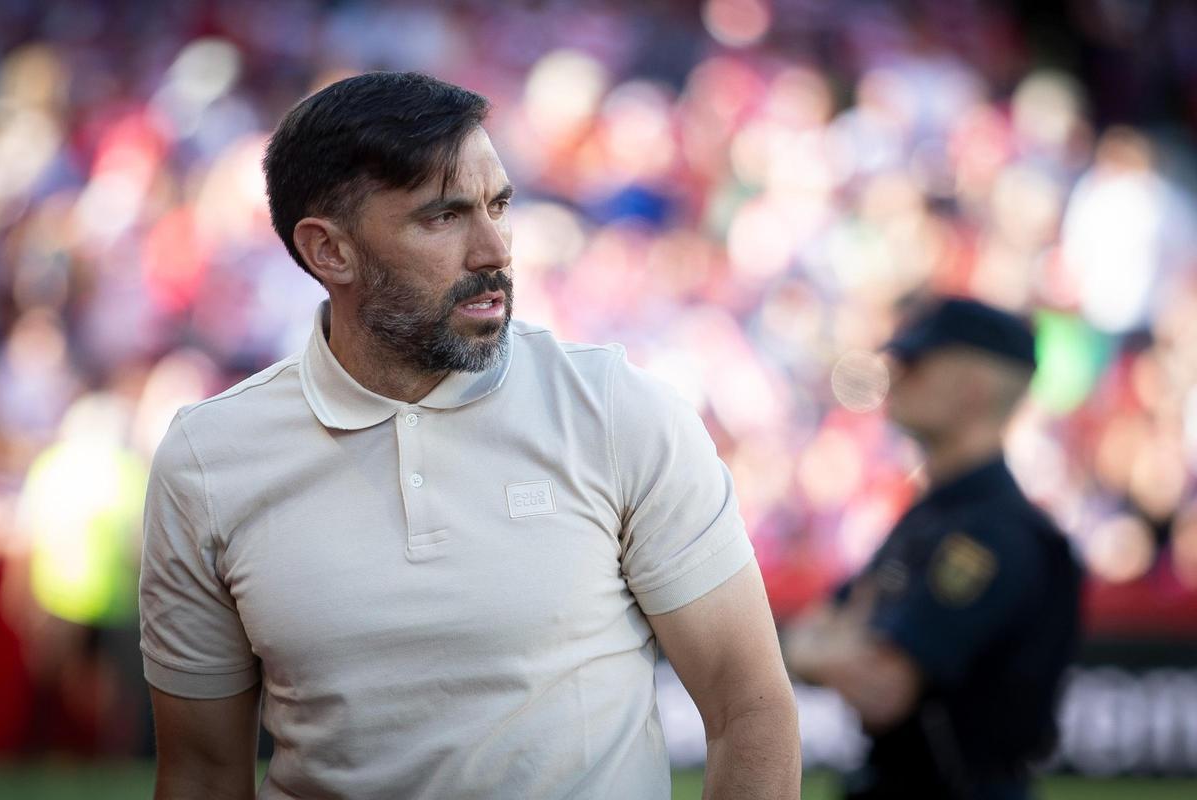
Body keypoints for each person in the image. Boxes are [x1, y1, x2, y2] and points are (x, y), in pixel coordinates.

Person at [138, 71, 800, 800]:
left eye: (500, 205)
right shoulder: (208, 458)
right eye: (444, 217)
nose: (495, 250)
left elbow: (752, 713)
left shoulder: (618, 411)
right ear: (330, 252)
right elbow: (201, 772)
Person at [784, 297, 1082, 800]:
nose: (895, 376)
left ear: (974, 388)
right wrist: (826, 647)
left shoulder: (995, 533)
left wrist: (828, 649)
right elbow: (810, 629)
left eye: (916, 364)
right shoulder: (932, 515)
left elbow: (882, 689)